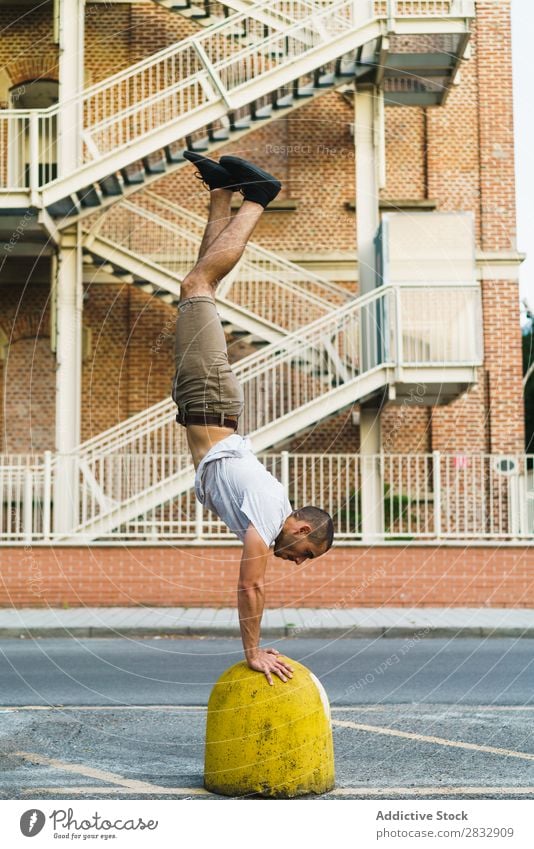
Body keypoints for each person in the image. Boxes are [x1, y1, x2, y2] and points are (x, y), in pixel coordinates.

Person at [172, 151, 335, 685]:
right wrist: (253, 649)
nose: (299, 562)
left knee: (200, 285)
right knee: (196, 287)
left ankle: (222, 193)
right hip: (210, 400)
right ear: (301, 527)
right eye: (305, 553)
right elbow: (251, 587)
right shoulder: (267, 522)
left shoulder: (266, 518)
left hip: (204, 403)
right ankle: (260, 198)